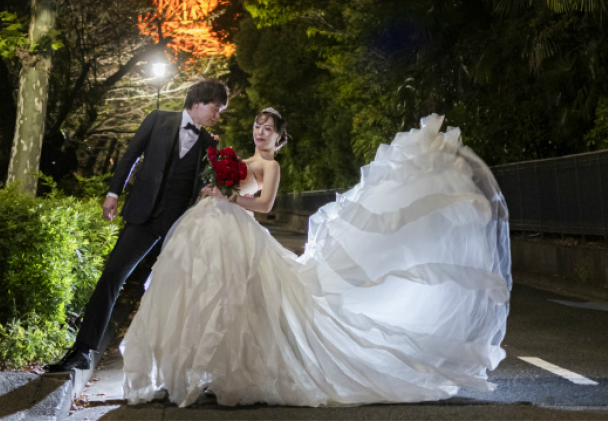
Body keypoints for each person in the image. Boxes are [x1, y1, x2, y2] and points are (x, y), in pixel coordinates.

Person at [122, 110, 511, 407]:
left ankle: (237, 369)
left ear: (279, 137)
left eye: (268, 128)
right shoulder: (238, 160)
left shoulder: (270, 166)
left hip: (239, 232)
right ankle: (208, 366)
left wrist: (227, 195)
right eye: (258, 125)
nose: (260, 131)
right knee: (217, 296)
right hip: (218, 231)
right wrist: (215, 189)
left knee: (244, 300)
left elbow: (264, 205)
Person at [45, 78, 229, 375]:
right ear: (198, 103)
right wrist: (113, 193)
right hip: (144, 217)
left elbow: (202, 184)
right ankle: (82, 351)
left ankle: (181, 366)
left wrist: (212, 187)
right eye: (216, 108)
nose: (217, 115)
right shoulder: (157, 119)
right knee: (112, 276)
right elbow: (130, 156)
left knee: (180, 293)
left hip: (178, 226)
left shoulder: (210, 143)